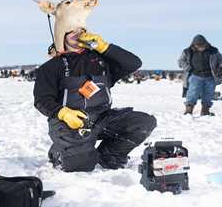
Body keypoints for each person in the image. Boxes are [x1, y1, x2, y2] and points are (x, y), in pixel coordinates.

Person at [34, 29, 156, 172]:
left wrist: (105, 47)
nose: (77, 32)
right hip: (70, 123)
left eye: (81, 29)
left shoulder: (102, 61)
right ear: (62, 36)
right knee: (81, 164)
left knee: (144, 122)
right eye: (71, 30)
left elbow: (133, 63)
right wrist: (63, 113)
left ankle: (109, 155)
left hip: (103, 118)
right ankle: (58, 152)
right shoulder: (51, 67)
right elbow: (41, 100)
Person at [178, 34, 222, 116]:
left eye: (202, 45)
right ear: (194, 45)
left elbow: (221, 61)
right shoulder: (187, 51)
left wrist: (220, 69)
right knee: (193, 92)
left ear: (205, 43)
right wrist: (188, 68)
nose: (200, 47)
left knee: (208, 94)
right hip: (195, 75)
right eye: (198, 45)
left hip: (210, 76)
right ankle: (189, 109)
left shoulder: (213, 51)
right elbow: (181, 61)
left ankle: (205, 110)